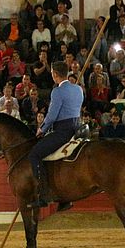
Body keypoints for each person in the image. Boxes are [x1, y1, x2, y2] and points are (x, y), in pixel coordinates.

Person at [28, 61, 83, 208]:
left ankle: (43, 194)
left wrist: (42, 129)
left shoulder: (57, 92)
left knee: (34, 155)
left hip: (63, 131)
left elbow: (52, 116)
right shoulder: (78, 89)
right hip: (78, 130)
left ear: (54, 74)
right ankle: (64, 198)